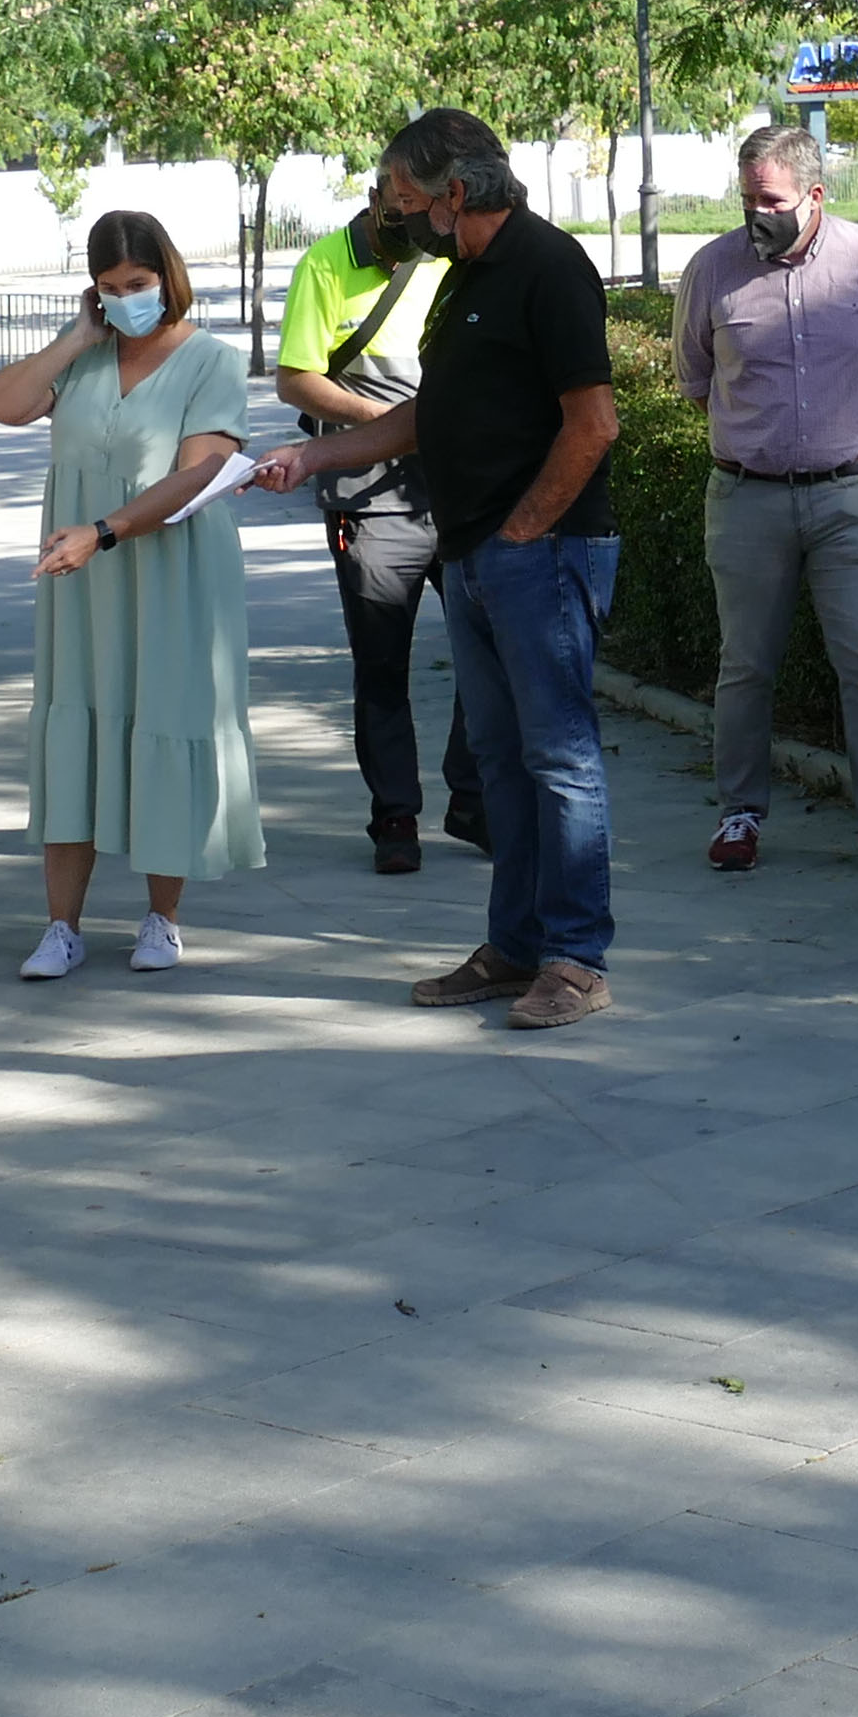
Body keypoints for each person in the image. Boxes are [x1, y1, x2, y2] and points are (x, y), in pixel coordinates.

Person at [258, 108, 621, 1029]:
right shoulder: (460, 277)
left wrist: (522, 533)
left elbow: (594, 425)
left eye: (405, 199)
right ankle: (516, 946)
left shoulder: (548, 266)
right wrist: (314, 454)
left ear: (454, 192)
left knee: (560, 760)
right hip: (476, 555)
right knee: (500, 761)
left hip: (539, 553)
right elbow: (428, 416)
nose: (395, 215)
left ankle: (575, 960)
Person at [0, 209, 262, 980]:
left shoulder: (212, 361)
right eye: (109, 286)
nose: (125, 297)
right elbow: (3, 405)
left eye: (137, 283)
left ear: (167, 276)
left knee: (162, 718)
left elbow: (199, 473)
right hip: (82, 582)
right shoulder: (84, 356)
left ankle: (162, 918)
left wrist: (103, 531)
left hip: (169, 570)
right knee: (75, 720)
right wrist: (77, 336)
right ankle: (61, 927)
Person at [680, 123, 858, 880]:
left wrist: (835, 435)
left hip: (853, 496)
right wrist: (764, 440)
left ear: (815, 195)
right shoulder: (712, 268)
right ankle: (739, 813)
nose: (757, 213)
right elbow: (697, 379)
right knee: (745, 666)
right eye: (747, 198)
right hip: (746, 499)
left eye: (772, 200)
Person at [273, 204, 482, 874]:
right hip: (370, 502)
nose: (411, 216)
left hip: (460, 494)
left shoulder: (454, 252)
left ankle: (473, 796)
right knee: (382, 664)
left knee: (492, 650)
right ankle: (395, 814)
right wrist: (391, 424)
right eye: (398, 202)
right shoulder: (326, 264)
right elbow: (295, 378)